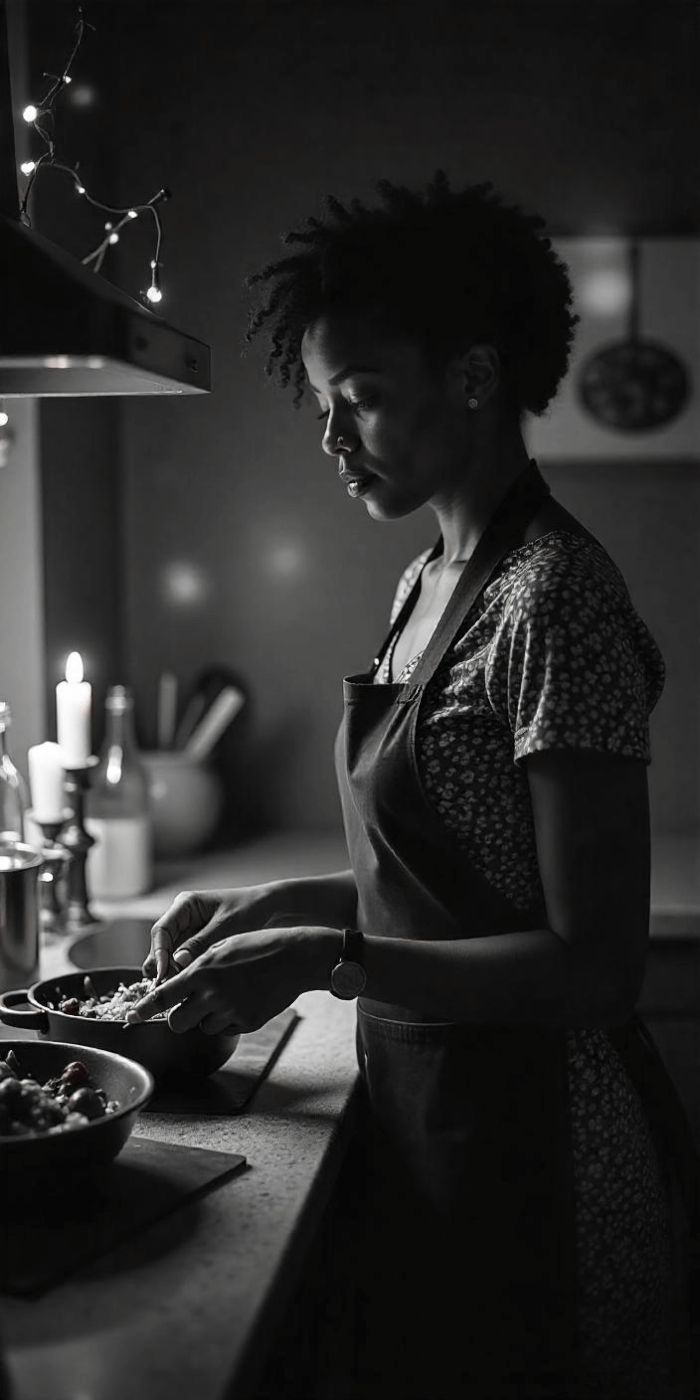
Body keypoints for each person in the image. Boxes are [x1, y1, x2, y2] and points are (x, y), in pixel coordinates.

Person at [127, 172, 697, 1400]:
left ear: (477, 378)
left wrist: (328, 957)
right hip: (440, 1126)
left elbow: (593, 964)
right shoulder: (424, 582)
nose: (333, 437)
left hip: (549, 1152)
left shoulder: (557, 600)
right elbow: (445, 874)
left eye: (363, 399)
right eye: (326, 403)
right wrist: (277, 905)